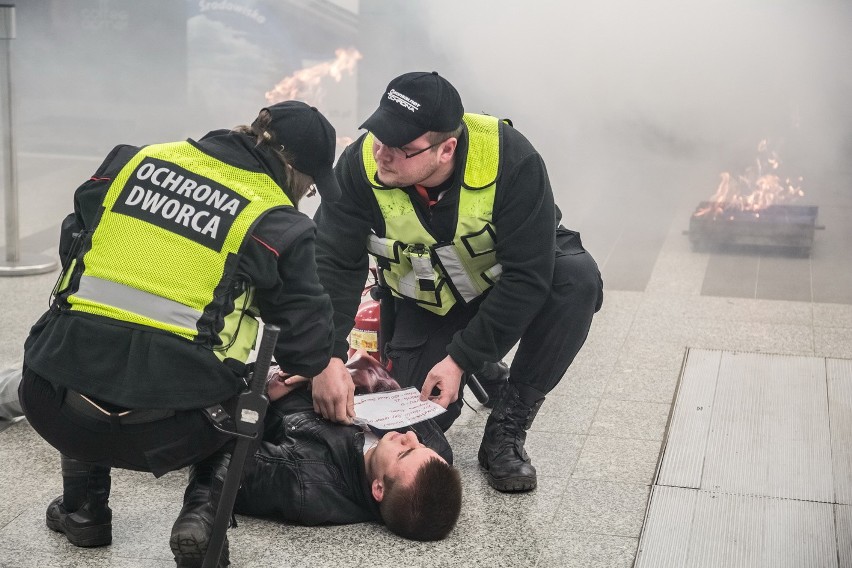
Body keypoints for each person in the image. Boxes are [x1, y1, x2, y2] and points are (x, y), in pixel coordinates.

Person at [18, 101, 341, 567]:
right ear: (291, 169)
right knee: (254, 400)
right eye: (308, 187)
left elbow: (74, 242)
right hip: (176, 431)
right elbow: (306, 351)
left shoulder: (131, 162)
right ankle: (202, 517)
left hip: (51, 400)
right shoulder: (276, 222)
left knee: (91, 342)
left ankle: (83, 510)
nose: (303, 196)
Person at [311, 71, 604, 493]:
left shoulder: (512, 160)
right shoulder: (359, 166)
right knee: (416, 431)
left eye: (402, 147)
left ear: (447, 148)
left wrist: (458, 360)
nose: (382, 154)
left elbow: (527, 277)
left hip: (502, 288)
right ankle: (483, 363)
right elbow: (333, 265)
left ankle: (507, 426)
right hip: (428, 303)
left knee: (576, 278)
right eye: (378, 137)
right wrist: (328, 356)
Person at [234, 354, 462, 541]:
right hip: (341, 360)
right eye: (420, 445)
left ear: (378, 489)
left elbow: (226, 458)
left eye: (404, 453)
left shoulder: (306, 482)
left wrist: (265, 391)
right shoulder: (435, 454)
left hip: (274, 373)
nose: (411, 436)